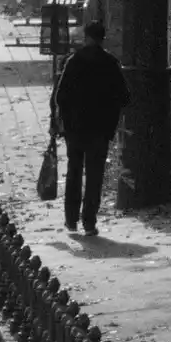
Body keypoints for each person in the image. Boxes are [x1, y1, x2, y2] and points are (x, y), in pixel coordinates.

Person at [52, 20, 130, 236]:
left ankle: (71, 219)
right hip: (100, 129)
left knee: (74, 171)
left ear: (86, 37)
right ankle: (89, 222)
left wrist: (63, 120)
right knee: (95, 174)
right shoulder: (111, 63)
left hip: (75, 128)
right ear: (102, 38)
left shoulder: (73, 61)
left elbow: (60, 96)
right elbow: (124, 97)